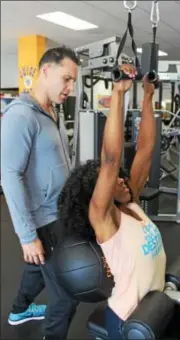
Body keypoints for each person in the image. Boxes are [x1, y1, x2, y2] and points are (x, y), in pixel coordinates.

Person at [58, 64, 166, 339]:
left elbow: (146, 147)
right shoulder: (104, 221)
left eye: (119, 177)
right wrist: (118, 93)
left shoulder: (130, 201)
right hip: (128, 323)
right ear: (99, 193)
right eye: (110, 180)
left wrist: (147, 96)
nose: (119, 178)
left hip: (153, 311)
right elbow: (110, 159)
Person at [1, 46, 79, 340]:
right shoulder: (21, 116)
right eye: (66, 79)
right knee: (68, 293)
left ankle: (20, 309)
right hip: (44, 219)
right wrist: (27, 236)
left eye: (73, 81)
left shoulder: (50, 111)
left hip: (59, 211)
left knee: (37, 267)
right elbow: (10, 175)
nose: (70, 88)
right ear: (45, 71)